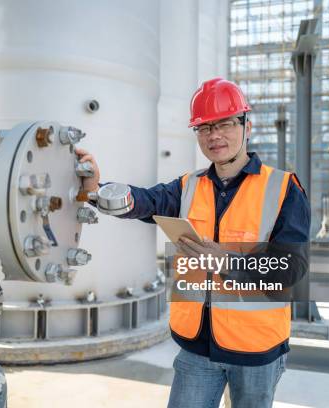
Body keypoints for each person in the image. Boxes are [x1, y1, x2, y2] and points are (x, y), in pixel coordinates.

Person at [76, 77, 310, 408]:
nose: (214, 135)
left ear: (247, 125)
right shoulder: (188, 186)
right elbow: (144, 201)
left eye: (225, 123)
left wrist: (228, 262)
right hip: (197, 348)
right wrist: (98, 191)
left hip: (257, 351)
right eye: (204, 127)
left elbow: (293, 267)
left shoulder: (284, 189)